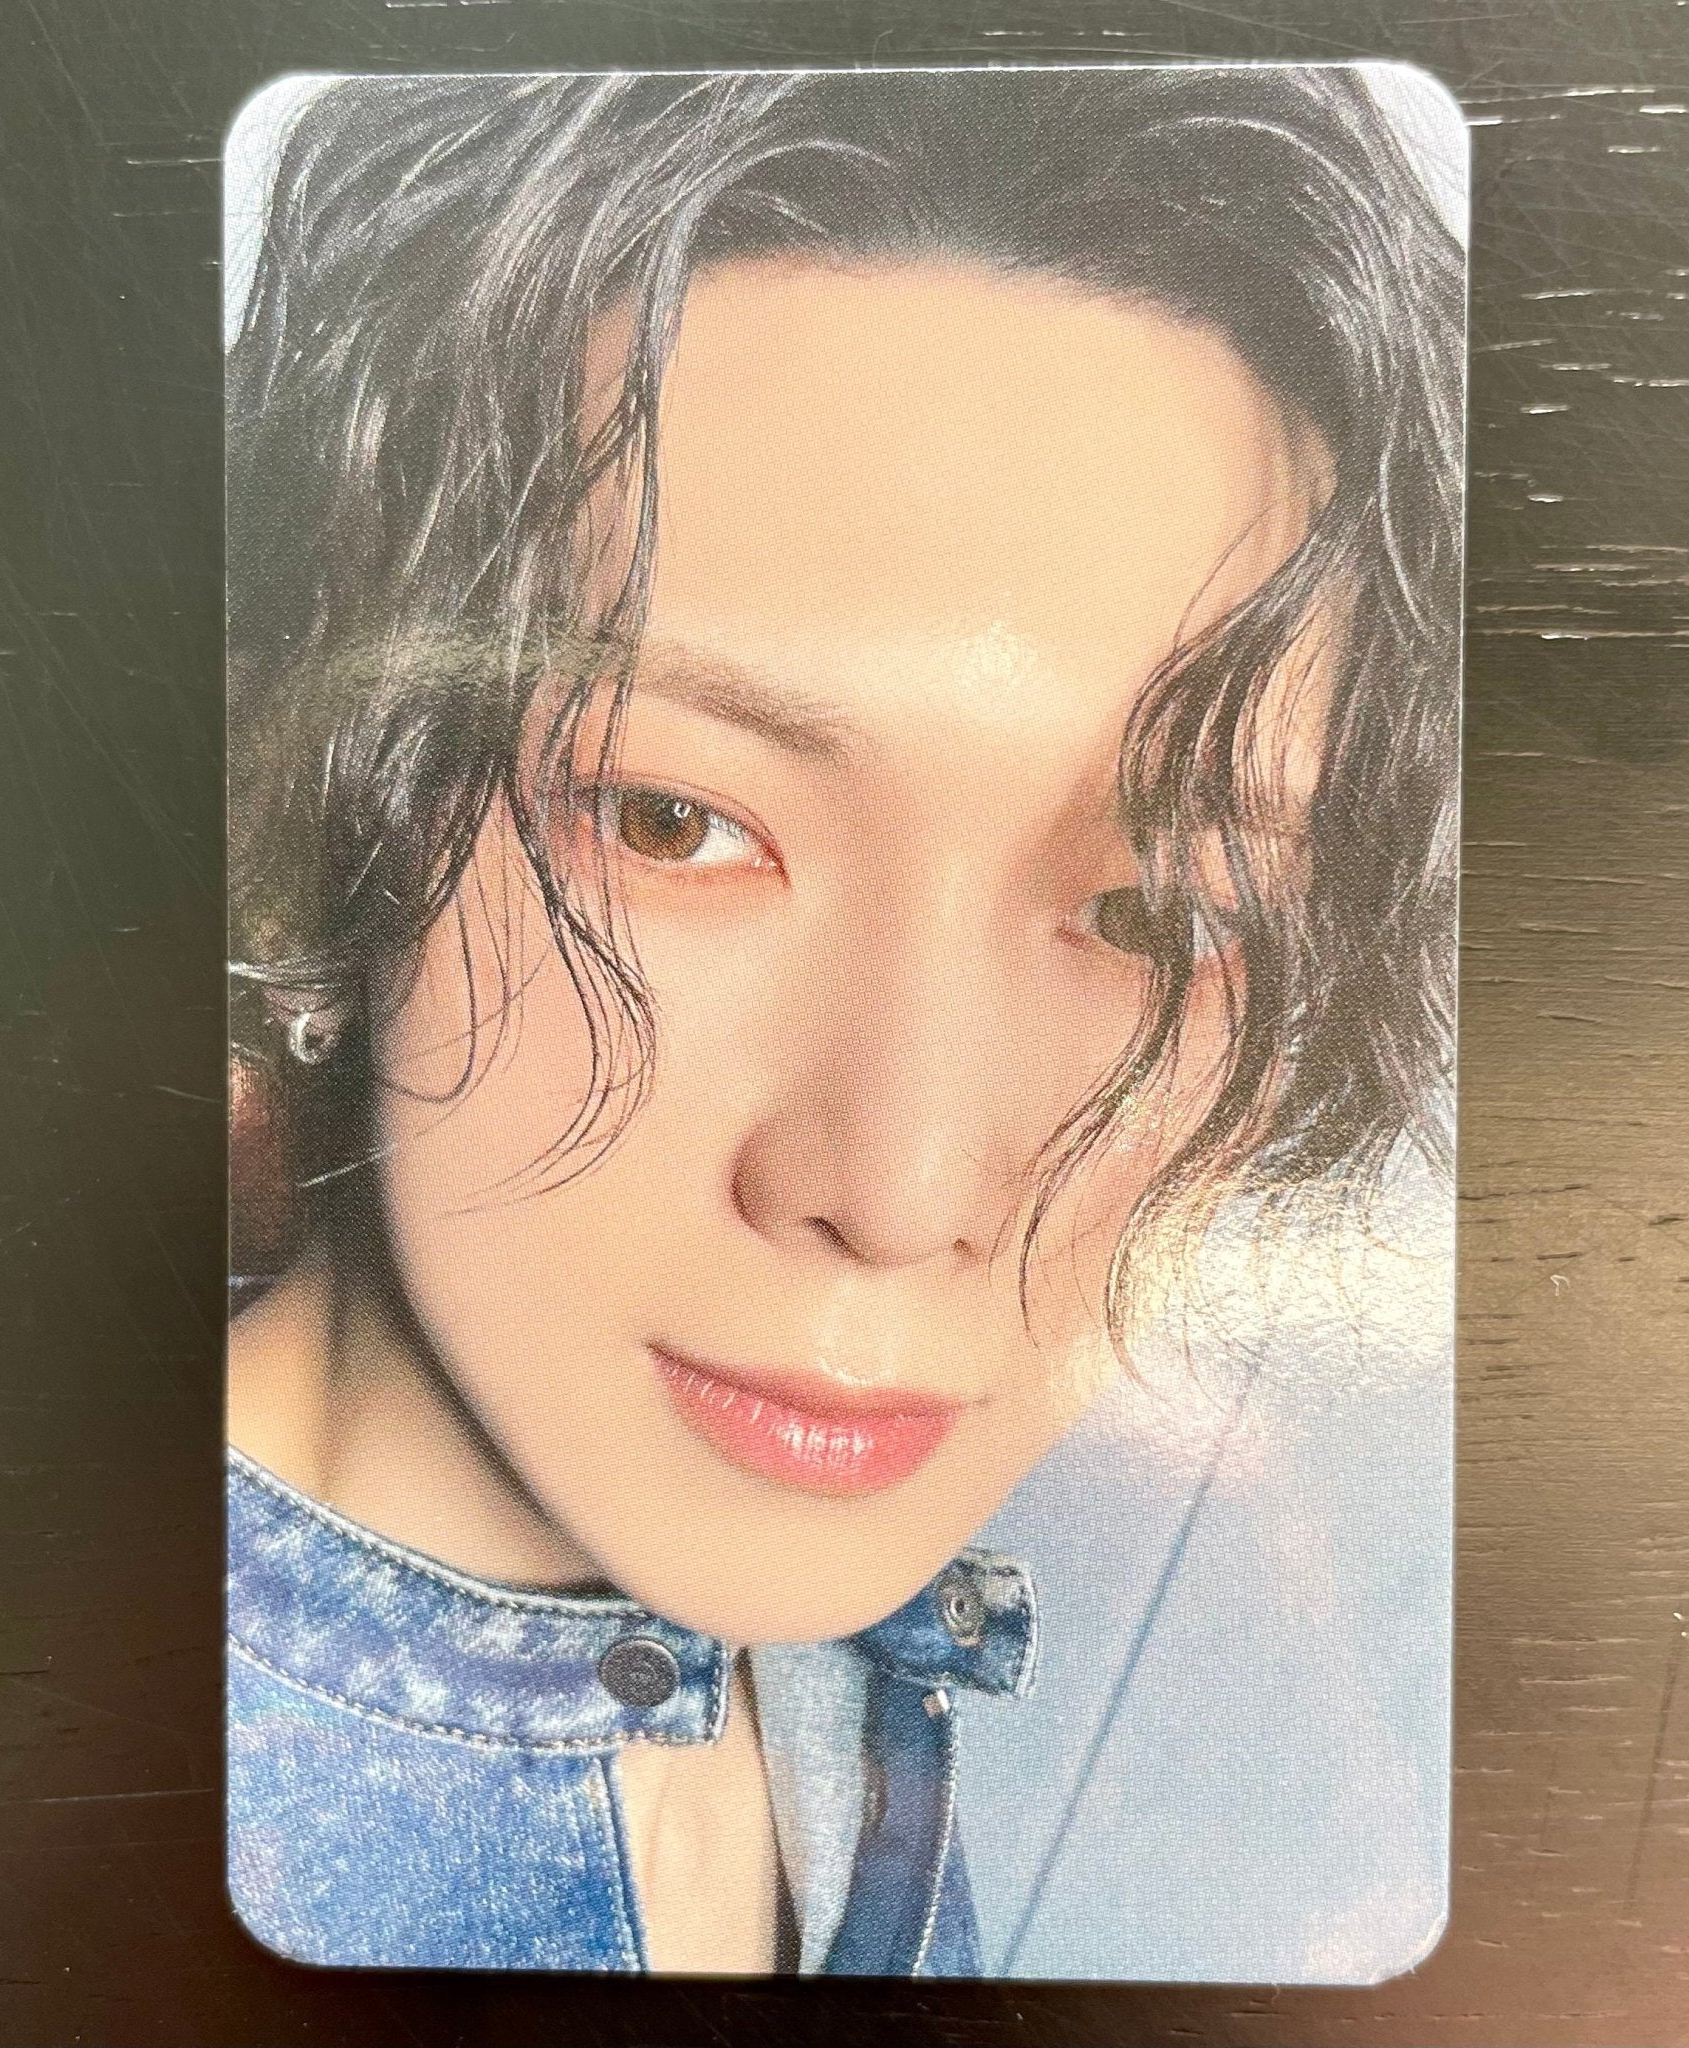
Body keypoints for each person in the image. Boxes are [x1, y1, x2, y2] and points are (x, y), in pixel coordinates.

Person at [221, 63, 1462, 1976]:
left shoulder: (863, 1656)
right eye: (671, 822)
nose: (900, 1192)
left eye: (1161, 915)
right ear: (316, 798)